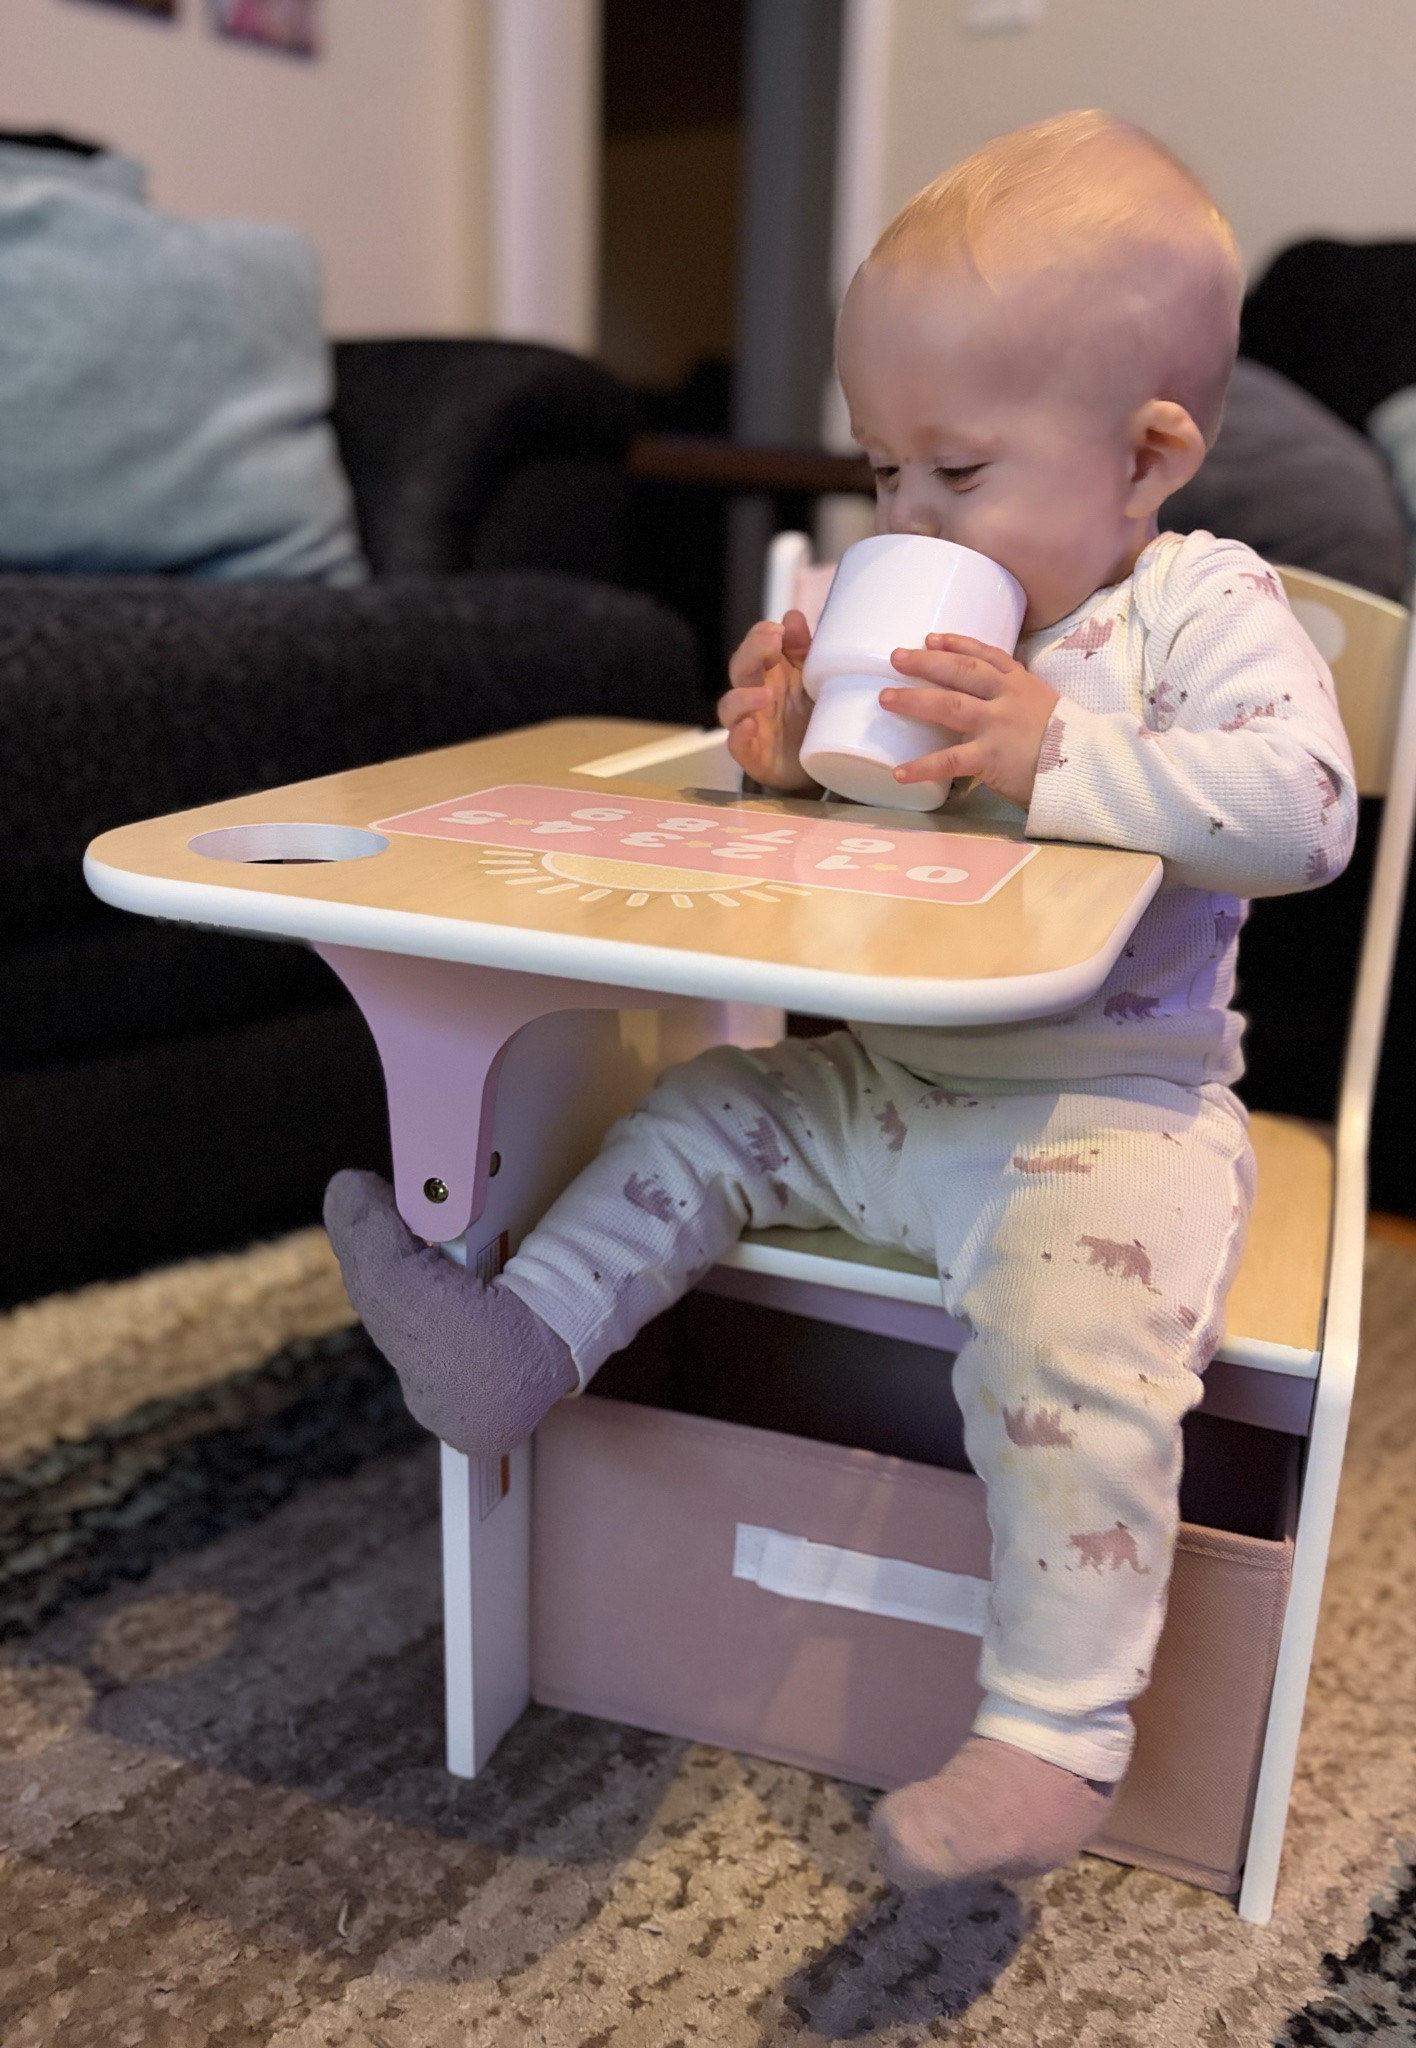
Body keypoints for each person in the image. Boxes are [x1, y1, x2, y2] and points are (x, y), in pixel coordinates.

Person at [323, 110, 1356, 1890]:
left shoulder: (1196, 609)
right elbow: (845, 854)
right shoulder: (891, 600)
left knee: (1079, 1353)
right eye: (883, 475)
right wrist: (783, 759)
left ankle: (1053, 1729)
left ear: (1146, 454)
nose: (904, 519)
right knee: (703, 1112)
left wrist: (1061, 749)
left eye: (952, 475)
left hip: (1101, 1114)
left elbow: (1308, 811)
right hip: (877, 1086)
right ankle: (516, 1350)